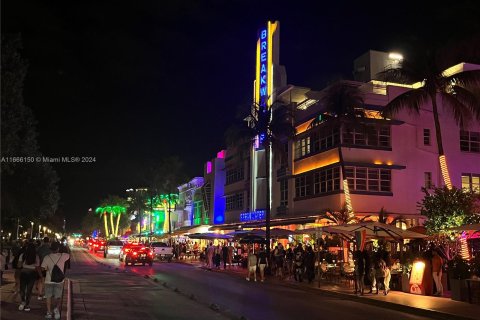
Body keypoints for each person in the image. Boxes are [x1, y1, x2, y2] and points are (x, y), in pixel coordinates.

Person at [41, 241, 70, 320]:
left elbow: (42, 268)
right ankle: (56, 309)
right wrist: (64, 246)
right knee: (58, 297)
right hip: (59, 281)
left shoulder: (47, 257)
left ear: (51, 249)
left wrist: (47, 268)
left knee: (48, 297)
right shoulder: (63, 256)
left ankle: (49, 313)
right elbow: (68, 253)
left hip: (48, 280)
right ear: (58, 248)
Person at [18, 241, 42, 312]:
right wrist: (41, 275)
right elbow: (37, 267)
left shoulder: (22, 255)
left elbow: (19, 265)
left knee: (22, 288)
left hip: (24, 272)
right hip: (32, 274)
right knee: (29, 290)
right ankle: (27, 305)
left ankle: (22, 302)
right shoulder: (36, 256)